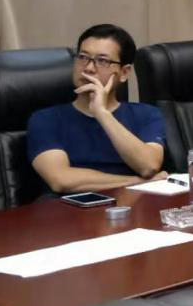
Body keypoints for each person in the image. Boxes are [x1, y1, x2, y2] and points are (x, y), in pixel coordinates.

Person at [26, 24, 168, 193]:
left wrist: (102, 114)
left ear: (124, 72)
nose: (88, 68)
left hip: (133, 205)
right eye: (83, 57)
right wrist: (136, 182)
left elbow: (149, 166)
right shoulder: (45, 119)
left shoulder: (146, 114)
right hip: (71, 207)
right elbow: (61, 180)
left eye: (102, 61)